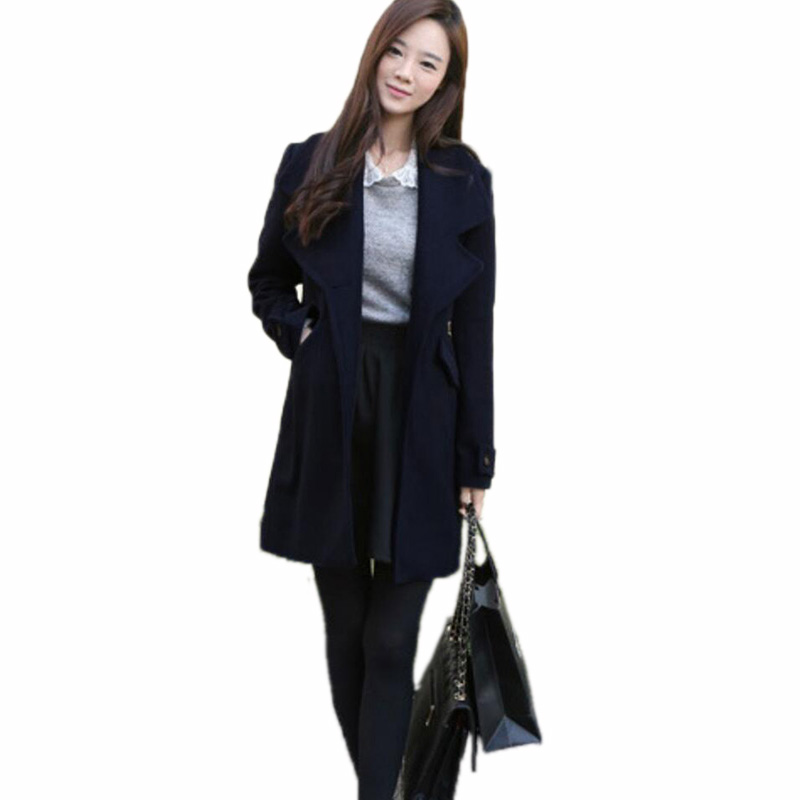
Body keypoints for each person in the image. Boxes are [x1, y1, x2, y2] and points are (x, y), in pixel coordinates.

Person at [246, 1, 496, 796]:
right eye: (398, 51)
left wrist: (476, 458)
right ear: (374, 52)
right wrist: (303, 335)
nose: (406, 73)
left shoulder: (462, 180)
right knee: (349, 631)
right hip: (332, 408)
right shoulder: (311, 161)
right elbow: (267, 282)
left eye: (429, 63)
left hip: (422, 416)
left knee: (392, 641)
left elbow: (476, 327)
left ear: (446, 83)